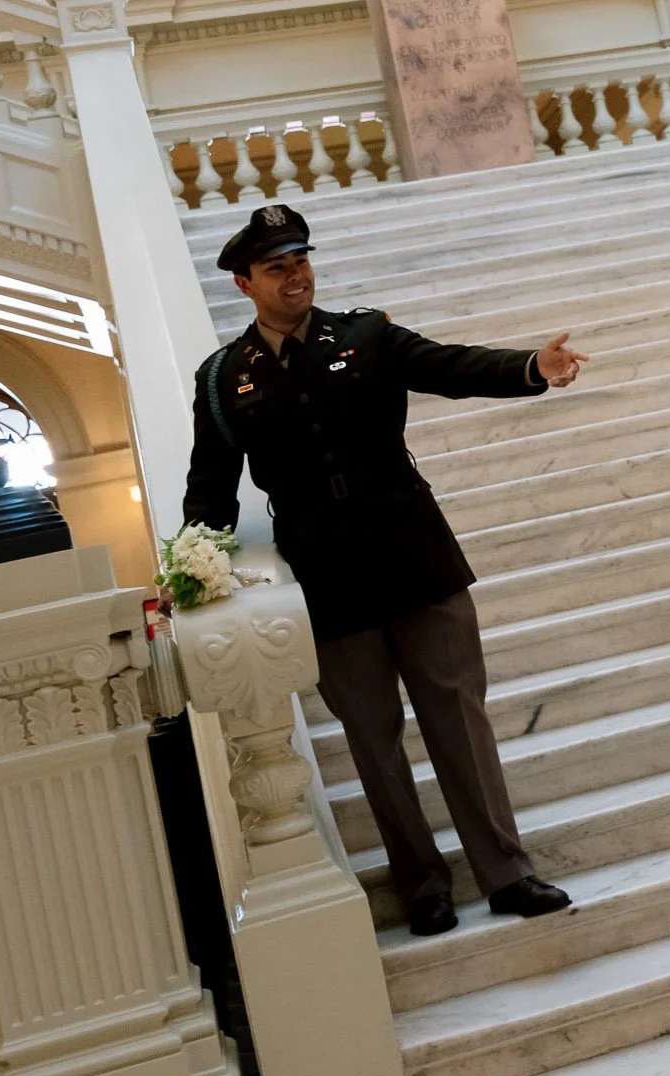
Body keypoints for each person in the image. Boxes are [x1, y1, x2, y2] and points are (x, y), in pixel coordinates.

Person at [181, 203, 588, 938]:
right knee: (372, 739)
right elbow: (209, 488)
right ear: (245, 283)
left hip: (414, 557)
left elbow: (449, 366)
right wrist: (191, 569)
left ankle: (507, 871)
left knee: (458, 721)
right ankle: (422, 883)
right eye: (277, 267)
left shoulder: (365, 335)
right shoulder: (223, 380)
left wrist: (531, 366)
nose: (295, 275)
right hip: (327, 578)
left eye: (301, 260)